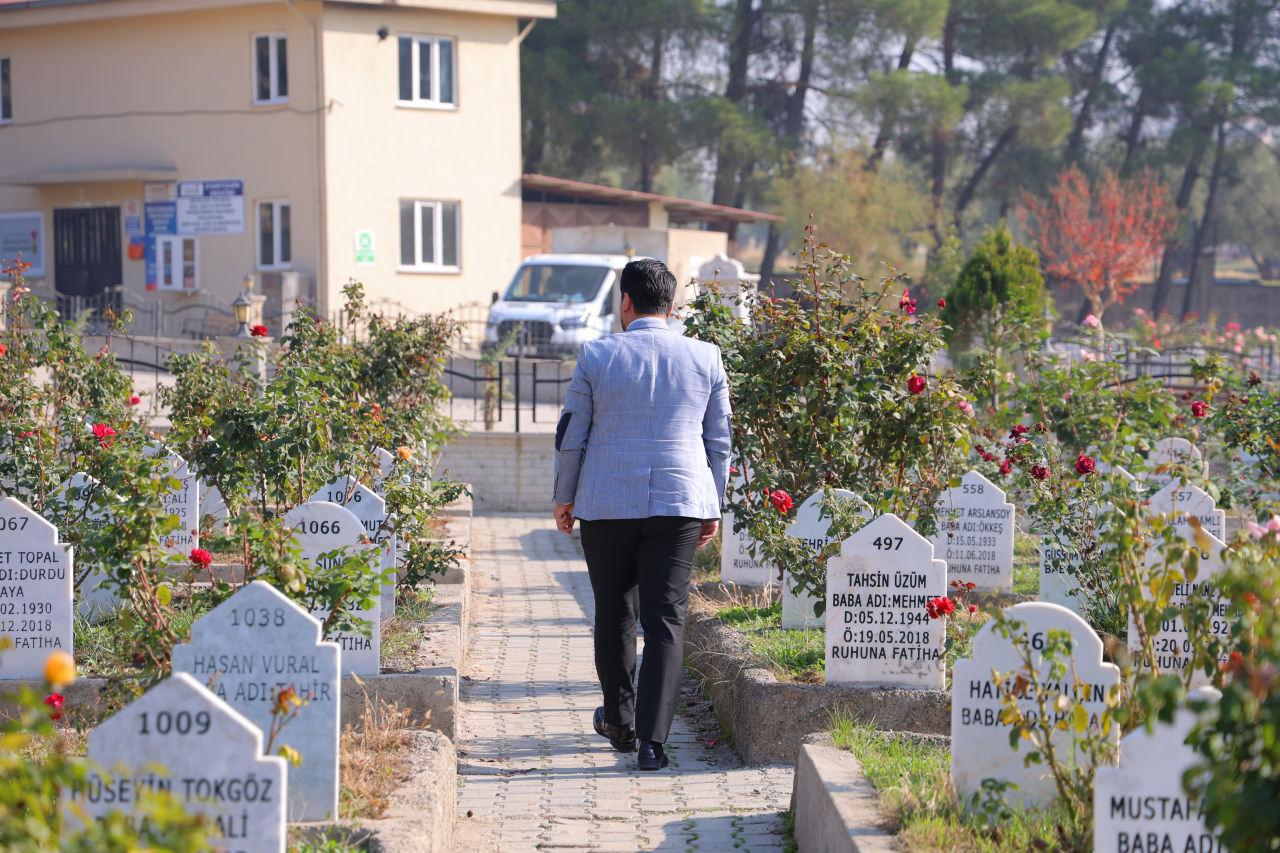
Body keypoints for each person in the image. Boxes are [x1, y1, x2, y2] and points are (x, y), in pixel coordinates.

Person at [552, 257, 731, 771]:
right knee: (666, 617)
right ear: (672, 307)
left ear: (625, 302)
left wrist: (565, 496)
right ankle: (654, 742)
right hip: (678, 502)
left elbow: (572, 437)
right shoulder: (706, 357)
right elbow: (718, 441)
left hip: (606, 503)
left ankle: (620, 722)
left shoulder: (596, 355)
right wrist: (711, 504)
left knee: (613, 609)